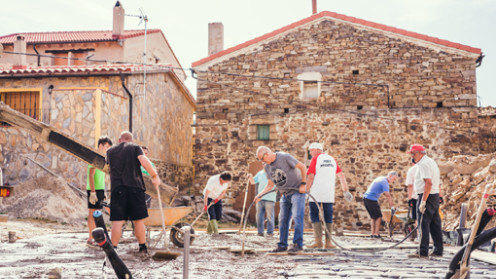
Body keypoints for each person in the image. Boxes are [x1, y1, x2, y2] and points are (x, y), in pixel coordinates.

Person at [106, 131, 160, 256]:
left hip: (117, 188)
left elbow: (108, 166)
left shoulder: (110, 151)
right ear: (131, 140)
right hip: (135, 188)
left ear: (120, 140)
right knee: (138, 220)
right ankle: (142, 248)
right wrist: (154, 176)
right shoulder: (136, 147)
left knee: (118, 222)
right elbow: (143, 161)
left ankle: (113, 249)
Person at [254, 146, 307, 253]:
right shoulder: (268, 167)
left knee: (297, 217)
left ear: (267, 153)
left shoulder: (284, 157)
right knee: (283, 220)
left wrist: (303, 184)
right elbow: (270, 185)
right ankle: (282, 245)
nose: (262, 162)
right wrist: (260, 195)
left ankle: (298, 244)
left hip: (297, 192)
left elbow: (302, 167)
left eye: (262, 159)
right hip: (285, 195)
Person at [306, 142, 353, 249]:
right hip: (329, 193)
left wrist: (306, 191)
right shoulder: (332, 159)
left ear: (317, 149)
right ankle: (328, 243)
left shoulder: (315, 159)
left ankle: (318, 242)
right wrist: (345, 191)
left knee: (314, 215)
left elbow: (311, 176)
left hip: (315, 193)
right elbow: (341, 175)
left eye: (311, 150)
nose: (310, 152)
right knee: (328, 216)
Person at [407, 144, 443, 258]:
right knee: (435, 224)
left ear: (419, 153)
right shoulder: (431, 162)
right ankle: (438, 250)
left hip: (426, 195)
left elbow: (428, 182)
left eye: (413, 154)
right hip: (434, 195)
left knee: (423, 224)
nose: (412, 157)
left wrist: (423, 201)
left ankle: (423, 252)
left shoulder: (423, 164)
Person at [86, 136, 113, 247]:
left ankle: (95, 238)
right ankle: (90, 239)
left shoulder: (103, 159)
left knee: (97, 214)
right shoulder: (95, 157)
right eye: (106, 146)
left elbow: (103, 176)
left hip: (100, 189)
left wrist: (105, 191)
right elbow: (91, 175)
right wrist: (93, 192)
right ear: (101, 146)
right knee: (92, 214)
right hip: (94, 190)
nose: (107, 149)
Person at [363, 171, 397, 238]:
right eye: (394, 179)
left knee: (373, 217)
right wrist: (392, 207)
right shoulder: (385, 182)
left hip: (366, 198)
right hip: (371, 199)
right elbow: (388, 195)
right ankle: (376, 234)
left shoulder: (381, 178)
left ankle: (373, 233)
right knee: (379, 216)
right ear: (390, 176)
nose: (393, 181)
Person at [248, 169, 275, 237]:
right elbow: (253, 182)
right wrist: (250, 176)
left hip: (270, 198)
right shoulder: (260, 173)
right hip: (260, 198)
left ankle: (270, 232)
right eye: (263, 164)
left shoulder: (273, 172)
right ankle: (260, 232)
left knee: (270, 216)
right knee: (259, 216)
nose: (264, 165)